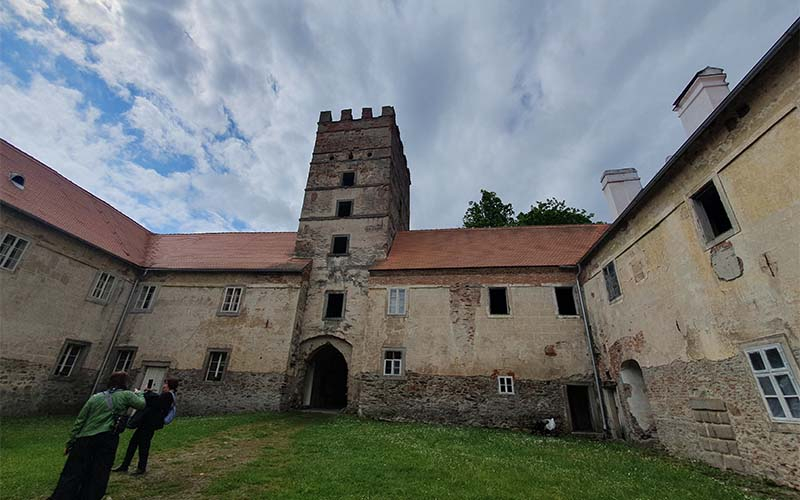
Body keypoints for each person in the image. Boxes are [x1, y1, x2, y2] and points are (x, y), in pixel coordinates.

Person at [49, 371, 145, 500]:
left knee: (73, 472)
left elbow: (80, 421)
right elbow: (141, 404)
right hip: (107, 438)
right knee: (99, 471)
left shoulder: (95, 397)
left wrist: (71, 442)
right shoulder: (126, 395)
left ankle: (62, 496)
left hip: (84, 439)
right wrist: (140, 393)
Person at [113, 378, 178, 475]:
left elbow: (156, 404)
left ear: (169, 385)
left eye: (165, 384)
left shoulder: (168, 396)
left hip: (149, 425)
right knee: (133, 444)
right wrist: (150, 394)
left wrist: (147, 394)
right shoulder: (166, 395)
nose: (163, 386)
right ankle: (125, 465)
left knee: (143, 446)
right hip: (146, 424)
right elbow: (156, 400)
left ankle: (140, 468)